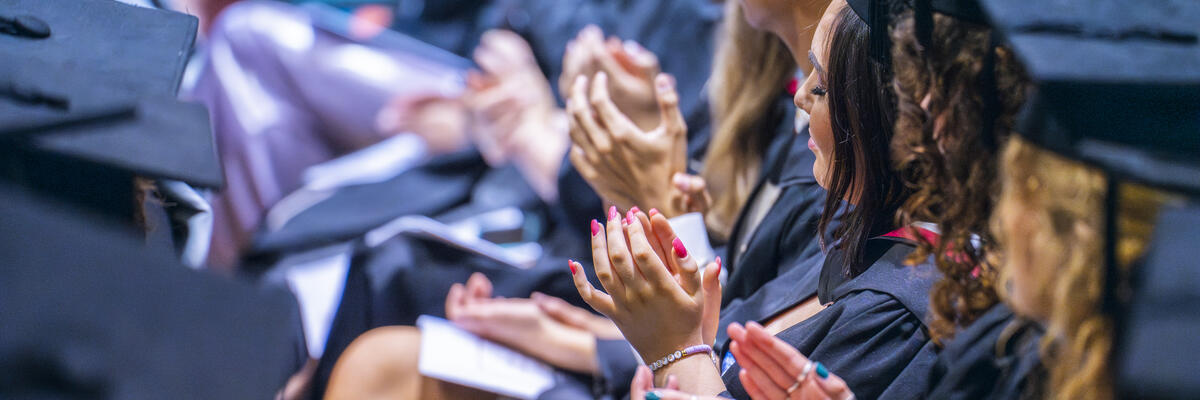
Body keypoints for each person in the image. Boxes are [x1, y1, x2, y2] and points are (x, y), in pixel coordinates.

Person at [571, 1, 941, 398]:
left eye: (822, 86)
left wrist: (675, 352)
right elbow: (727, 348)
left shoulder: (901, 301)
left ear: (896, 117)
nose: (800, 95)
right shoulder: (863, 240)